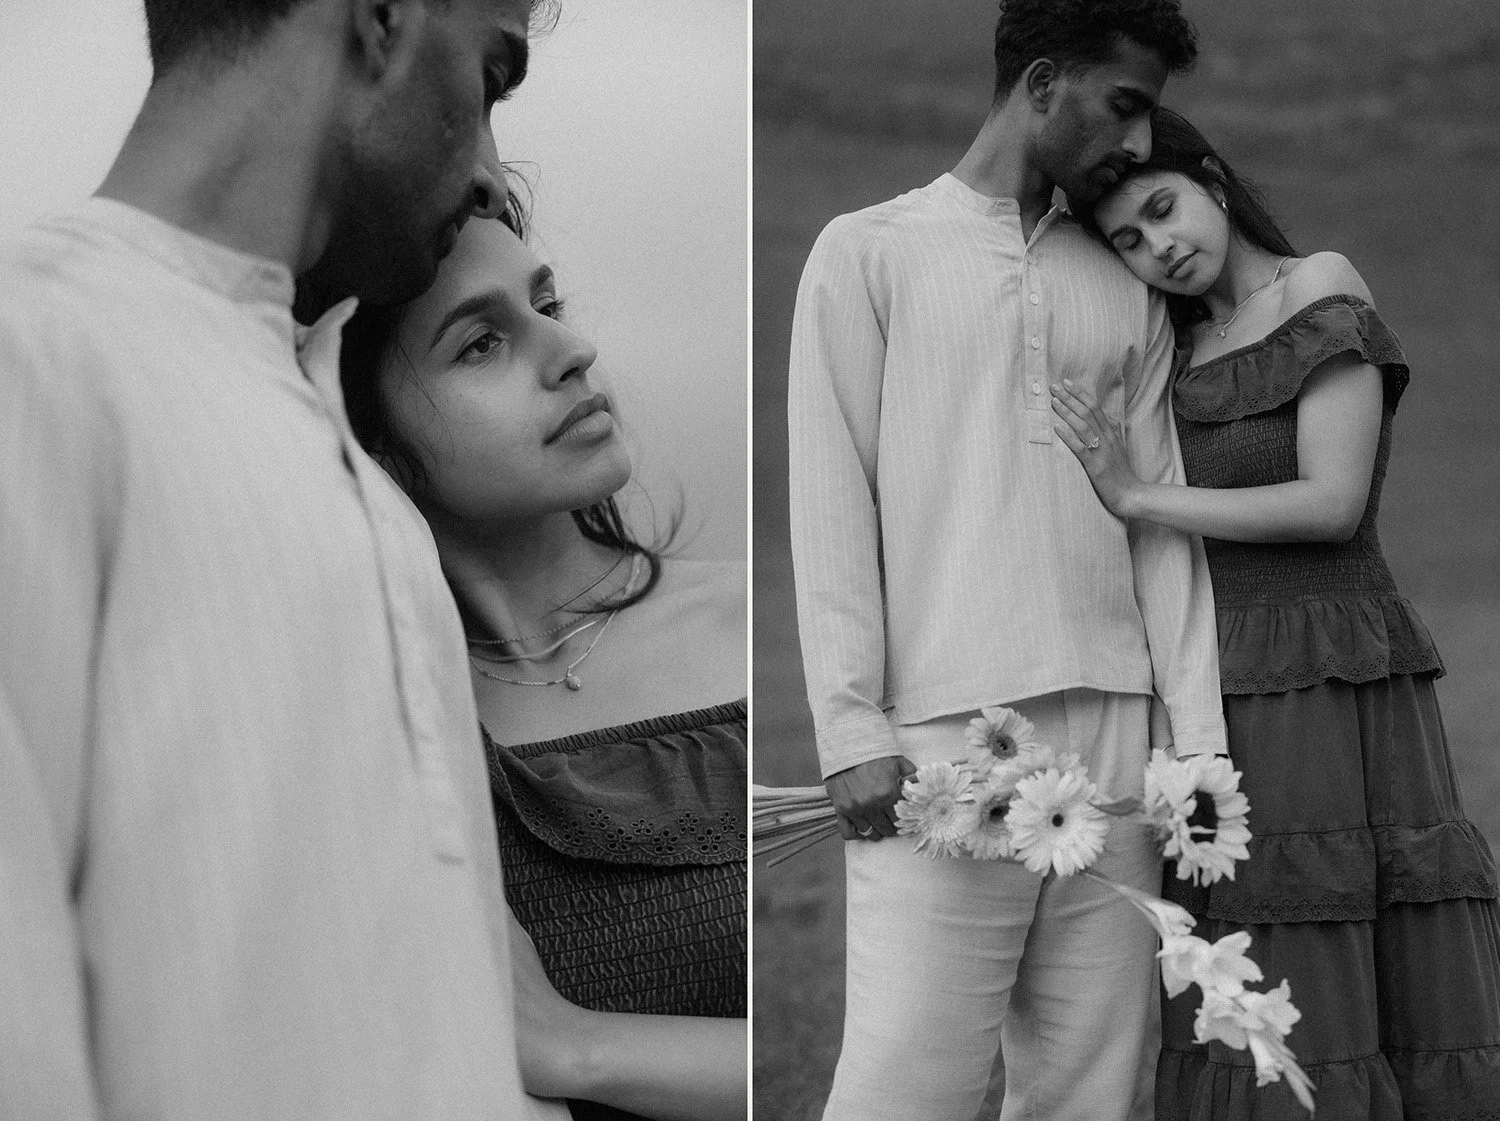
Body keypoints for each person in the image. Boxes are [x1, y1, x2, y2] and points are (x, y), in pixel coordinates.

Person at [0, 1, 571, 1118]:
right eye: (491, 78)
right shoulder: (35, 355)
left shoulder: (354, 474)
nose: (492, 172)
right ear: (381, 19)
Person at [786, 2, 1225, 1118]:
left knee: (1097, 1093)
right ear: (1042, 84)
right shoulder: (869, 251)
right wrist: (848, 727)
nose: (1137, 145)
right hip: (941, 738)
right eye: (1124, 107)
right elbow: (832, 497)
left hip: (1121, 746)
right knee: (906, 1088)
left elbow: (1162, 519)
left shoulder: (1123, 276)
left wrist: (1194, 749)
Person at [1051, 107, 1500, 1119]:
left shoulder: (1320, 286)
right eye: (1129, 237)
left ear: (1212, 180)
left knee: (1340, 931)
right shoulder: (1177, 347)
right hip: (1215, 675)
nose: (1159, 244)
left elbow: (1330, 501)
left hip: (1335, 661)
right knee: (1245, 950)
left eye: (1163, 208)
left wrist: (1136, 494)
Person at [334, 193, 748, 1121]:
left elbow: (865, 1040)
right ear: (372, 440)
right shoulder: (369, 723)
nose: (571, 353)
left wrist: (577, 1047)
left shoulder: (748, 630)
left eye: (547, 307)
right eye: (481, 343)